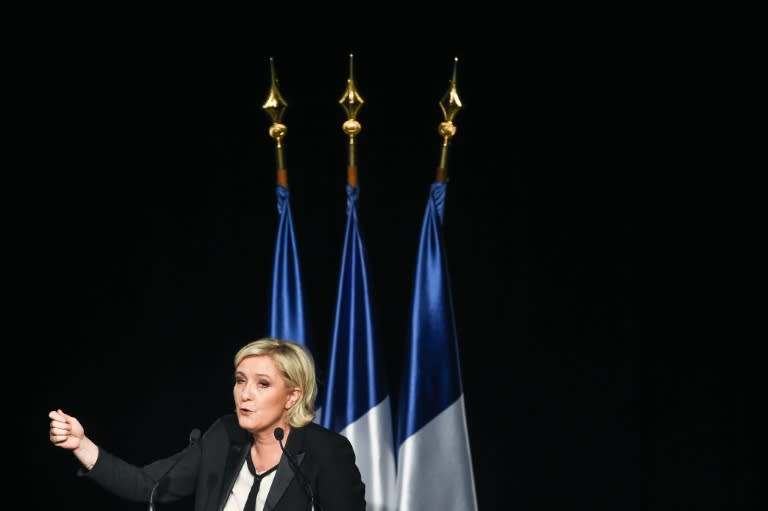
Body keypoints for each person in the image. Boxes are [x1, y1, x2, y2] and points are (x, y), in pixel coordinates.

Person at [48, 337, 366, 511]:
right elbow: (149, 486)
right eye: (240, 381)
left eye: (262, 384)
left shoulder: (326, 451)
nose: (245, 394)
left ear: (292, 396)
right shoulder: (224, 435)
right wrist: (81, 444)